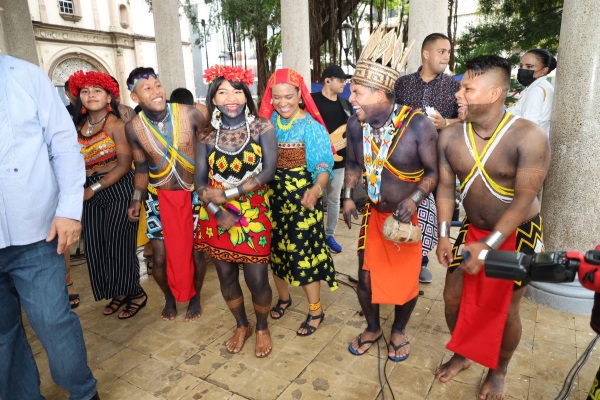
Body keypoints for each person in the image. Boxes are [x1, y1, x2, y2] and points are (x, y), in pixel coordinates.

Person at [435, 55, 550, 399]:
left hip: (519, 232)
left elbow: (523, 200)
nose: (459, 93)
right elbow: (445, 188)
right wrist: (443, 235)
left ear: (494, 93)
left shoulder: (529, 136)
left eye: (468, 88)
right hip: (472, 230)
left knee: (507, 310)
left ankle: (498, 371)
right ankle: (463, 353)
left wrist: (490, 245)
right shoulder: (450, 136)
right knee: (452, 297)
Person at [0, 55, 98, 399]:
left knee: (53, 323)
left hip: (36, 233)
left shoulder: (25, 76)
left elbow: (64, 145)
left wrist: (69, 210)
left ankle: (83, 392)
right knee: (2, 335)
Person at [342, 28, 439, 362]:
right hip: (373, 214)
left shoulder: (418, 126)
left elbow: (433, 173)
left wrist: (413, 200)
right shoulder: (355, 126)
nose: (351, 98)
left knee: (406, 281)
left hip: (408, 215)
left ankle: (398, 330)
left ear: (381, 93)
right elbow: (352, 163)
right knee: (365, 278)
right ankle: (372, 328)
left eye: (357, 92)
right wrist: (347, 195)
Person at [194, 65, 276, 357]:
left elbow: (268, 172)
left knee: (257, 279)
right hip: (215, 214)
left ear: (246, 95)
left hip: (253, 212)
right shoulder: (205, 135)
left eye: (237, 91)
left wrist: (227, 194)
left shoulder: (262, 127)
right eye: (223, 92)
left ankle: (262, 326)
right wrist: (217, 211)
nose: (231, 98)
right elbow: (199, 183)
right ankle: (242, 325)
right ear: (213, 98)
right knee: (226, 277)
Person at [125, 67, 208, 321]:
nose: (156, 92)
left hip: (193, 194)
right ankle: (169, 298)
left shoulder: (190, 113)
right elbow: (141, 167)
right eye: (147, 88)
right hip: (157, 197)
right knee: (159, 258)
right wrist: (136, 199)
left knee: (196, 252)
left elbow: (210, 149)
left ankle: (195, 297)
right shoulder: (133, 128)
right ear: (135, 97)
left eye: (158, 85)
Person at [259, 68, 338, 336]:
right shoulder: (268, 122)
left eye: (289, 96)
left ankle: (316, 310)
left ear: (300, 96)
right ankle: (284, 299)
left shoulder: (311, 128)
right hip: (273, 201)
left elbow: (323, 166)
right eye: (277, 97)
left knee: (304, 255)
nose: (283, 103)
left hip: (303, 202)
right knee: (276, 252)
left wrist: (316, 189)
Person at [69, 70, 147, 319]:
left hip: (116, 188)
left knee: (118, 245)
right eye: (85, 91)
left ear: (108, 96)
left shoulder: (117, 125)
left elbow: (124, 165)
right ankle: (119, 292)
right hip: (87, 191)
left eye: (97, 90)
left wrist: (92, 189)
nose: (91, 95)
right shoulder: (77, 126)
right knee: (97, 247)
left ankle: (136, 293)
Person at [394, 32, 461, 283]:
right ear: (426, 54)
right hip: (404, 161)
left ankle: (421, 260)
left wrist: (446, 122)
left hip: (438, 160)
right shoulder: (403, 84)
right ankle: (400, 253)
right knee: (405, 206)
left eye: (448, 52)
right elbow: (391, 115)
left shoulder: (453, 87)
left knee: (432, 210)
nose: (446, 57)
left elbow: (467, 119)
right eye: (442, 51)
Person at [311, 65, 353, 254]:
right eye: (341, 80)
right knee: (315, 197)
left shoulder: (346, 105)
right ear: (327, 80)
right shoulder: (311, 101)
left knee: (335, 199)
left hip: (339, 161)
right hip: (315, 161)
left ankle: (329, 235)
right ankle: (314, 235)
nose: (344, 83)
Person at [508, 48, 557, 136]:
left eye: (529, 66)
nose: (522, 69)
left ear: (543, 71)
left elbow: (530, 127)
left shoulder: (536, 90)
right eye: (521, 66)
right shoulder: (543, 86)